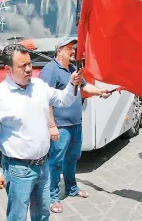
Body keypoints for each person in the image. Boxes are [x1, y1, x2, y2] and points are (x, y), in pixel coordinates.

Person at [0, 44, 83, 221]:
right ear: (8, 69)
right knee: (18, 217)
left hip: (43, 166)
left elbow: (63, 100)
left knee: (43, 214)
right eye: (22, 66)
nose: (29, 69)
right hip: (18, 170)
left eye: (29, 64)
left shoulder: (39, 86)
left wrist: (73, 84)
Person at [39, 37, 111, 214]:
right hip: (60, 127)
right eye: (70, 48)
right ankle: (52, 196)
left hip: (76, 124)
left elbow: (85, 88)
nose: (74, 51)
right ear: (59, 51)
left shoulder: (72, 69)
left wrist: (100, 92)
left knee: (73, 158)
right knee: (55, 162)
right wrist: (51, 125)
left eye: (74, 48)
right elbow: (44, 100)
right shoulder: (50, 71)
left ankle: (71, 188)